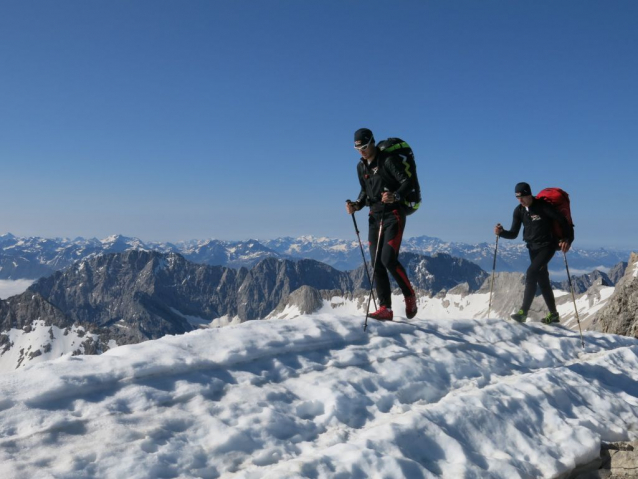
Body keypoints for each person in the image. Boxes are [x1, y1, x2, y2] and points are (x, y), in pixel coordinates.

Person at [346, 128, 418, 321]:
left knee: (388, 259)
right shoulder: (361, 167)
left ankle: (409, 294)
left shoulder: (387, 160)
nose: (361, 151)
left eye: (364, 146)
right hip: (374, 216)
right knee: (376, 262)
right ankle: (386, 308)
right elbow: (365, 192)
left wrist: (395, 195)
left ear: (372, 142)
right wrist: (356, 205)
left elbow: (407, 182)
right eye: (357, 148)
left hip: (394, 213)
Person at [494, 182, 574, 324]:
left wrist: (566, 239)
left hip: (547, 246)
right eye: (517, 197)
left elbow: (562, 221)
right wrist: (501, 233)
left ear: (529, 194)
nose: (520, 200)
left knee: (531, 273)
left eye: (522, 197)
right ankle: (554, 314)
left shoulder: (543, 207)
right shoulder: (519, 211)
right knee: (542, 279)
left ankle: (523, 312)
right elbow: (513, 234)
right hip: (532, 248)